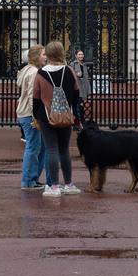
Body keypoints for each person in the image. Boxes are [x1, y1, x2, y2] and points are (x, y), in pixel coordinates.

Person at [33, 40, 81, 197]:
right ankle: (68, 184)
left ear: (48, 54)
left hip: (46, 117)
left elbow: (36, 98)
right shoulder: (69, 71)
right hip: (66, 116)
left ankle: (54, 186)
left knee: (51, 149)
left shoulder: (41, 73)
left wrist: (36, 115)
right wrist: (75, 114)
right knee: (64, 150)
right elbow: (76, 95)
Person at [16, 44, 50, 190]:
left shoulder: (26, 70)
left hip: (26, 113)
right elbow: (32, 96)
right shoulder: (34, 72)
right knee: (33, 147)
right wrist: (36, 117)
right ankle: (28, 181)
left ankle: (33, 178)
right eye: (43, 54)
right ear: (36, 56)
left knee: (39, 147)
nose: (45, 57)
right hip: (30, 115)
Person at [70, 48, 91, 123]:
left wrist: (88, 90)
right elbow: (70, 75)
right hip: (76, 88)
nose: (81, 56)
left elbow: (86, 78)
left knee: (81, 105)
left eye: (82, 54)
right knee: (77, 106)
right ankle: (78, 122)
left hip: (83, 88)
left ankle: (81, 121)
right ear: (76, 56)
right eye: (79, 54)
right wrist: (76, 74)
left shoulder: (84, 65)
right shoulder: (73, 64)